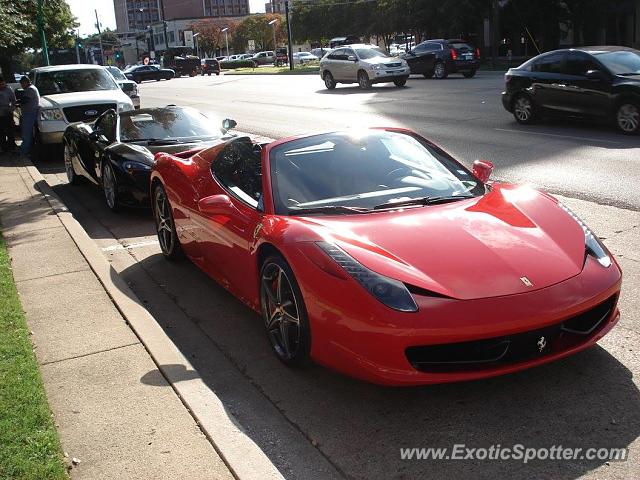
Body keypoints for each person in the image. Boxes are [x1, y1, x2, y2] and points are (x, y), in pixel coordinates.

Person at [18, 75, 40, 156]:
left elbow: (24, 100)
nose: (21, 86)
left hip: (30, 114)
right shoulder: (31, 88)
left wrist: (18, 102)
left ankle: (24, 151)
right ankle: (27, 150)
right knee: (28, 133)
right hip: (30, 113)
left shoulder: (30, 89)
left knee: (26, 134)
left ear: (25, 82)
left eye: (22, 84)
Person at [0, 75, 17, 152]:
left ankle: (11, 146)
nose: (1, 86)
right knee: (1, 132)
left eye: (2, 84)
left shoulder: (8, 89)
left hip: (7, 112)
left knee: (10, 130)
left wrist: (11, 109)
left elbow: (14, 101)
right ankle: (3, 147)